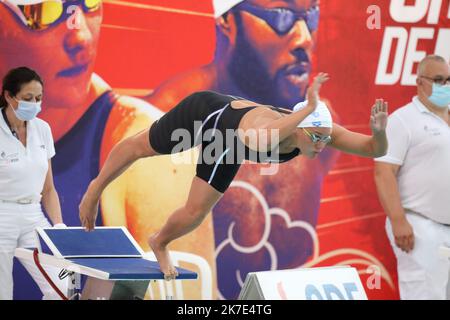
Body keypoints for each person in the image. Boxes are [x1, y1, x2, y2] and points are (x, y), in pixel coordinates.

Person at [0, 0, 215, 299]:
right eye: (44, 12)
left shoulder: (147, 154)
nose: (81, 37)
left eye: (90, 3)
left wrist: (59, 225)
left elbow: (186, 299)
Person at [80, 73, 389, 279]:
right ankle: (95, 188)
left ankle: (159, 242)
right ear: (298, 127)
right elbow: (265, 139)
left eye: (326, 138)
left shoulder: (318, 128)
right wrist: (305, 111)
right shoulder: (272, 133)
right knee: (140, 147)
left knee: (195, 213)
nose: (322, 145)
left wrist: (379, 133)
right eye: (317, 138)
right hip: (205, 118)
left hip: (230, 145)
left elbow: (373, 148)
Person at [143, 0, 340, 297]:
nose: (305, 39)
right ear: (227, 20)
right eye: (280, 16)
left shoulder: (318, 126)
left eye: (311, 15)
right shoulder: (168, 118)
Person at [374, 55, 450, 300]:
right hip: (419, 226)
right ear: (419, 83)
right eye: (438, 80)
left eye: (448, 80)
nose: (445, 85)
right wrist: (398, 220)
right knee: (425, 295)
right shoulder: (403, 120)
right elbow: (383, 171)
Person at [0, 67, 67, 300]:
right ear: (9, 96)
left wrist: (58, 225)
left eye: (38, 99)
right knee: (2, 291)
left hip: (33, 214)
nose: (35, 104)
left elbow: (48, 189)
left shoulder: (43, 129)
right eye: (28, 98)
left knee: (62, 287)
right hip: (2, 214)